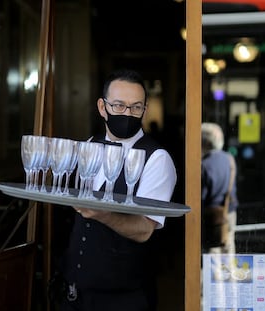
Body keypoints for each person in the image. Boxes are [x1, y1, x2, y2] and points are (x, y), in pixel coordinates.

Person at [55, 69, 177, 311]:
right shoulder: (90, 145)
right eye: (119, 106)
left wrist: (102, 214)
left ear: (144, 109)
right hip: (74, 294)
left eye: (135, 107)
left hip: (124, 299)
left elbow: (144, 230)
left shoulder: (157, 158)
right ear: (103, 107)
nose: (127, 114)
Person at [201, 122, 238, 254]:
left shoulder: (204, 164)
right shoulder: (229, 159)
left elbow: (202, 195)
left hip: (211, 213)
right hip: (229, 209)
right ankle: (231, 274)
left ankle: (216, 275)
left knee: (213, 250)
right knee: (228, 244)